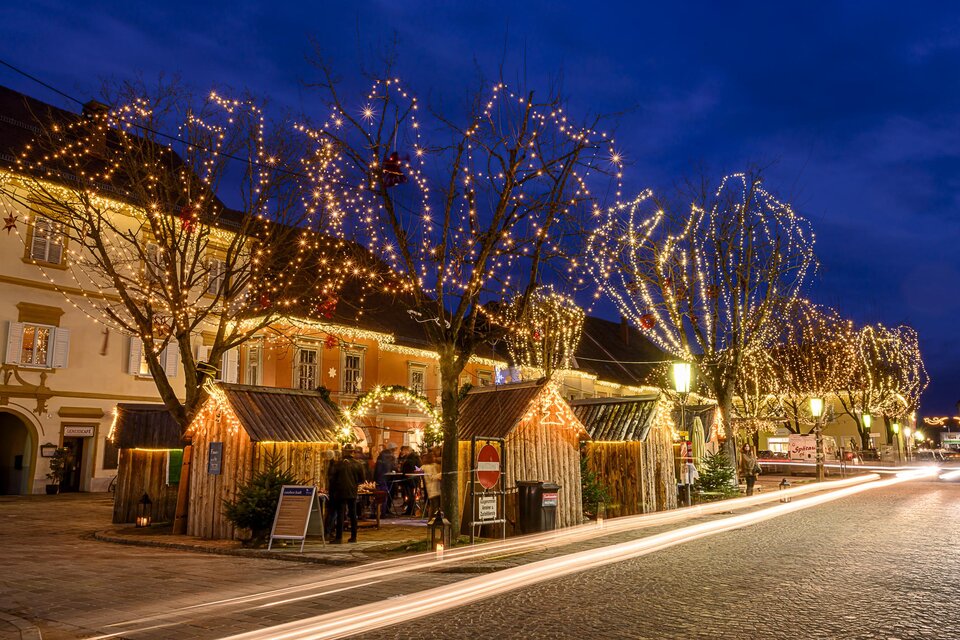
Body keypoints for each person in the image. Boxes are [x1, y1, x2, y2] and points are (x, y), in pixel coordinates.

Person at [329, 443, 365, 543]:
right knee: (353, 514)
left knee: (340, 514)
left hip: (340, 492)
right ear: (353, 452)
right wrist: (354, 484)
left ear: (344, 452)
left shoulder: (338, 464)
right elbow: (362, 479)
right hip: (352, 491)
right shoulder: (358, 464)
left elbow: (332, 478)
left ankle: (339, 537)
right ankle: (354, 537)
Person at [374, 442, 398, 516]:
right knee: (385, 495)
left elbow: (377, 468)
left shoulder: (381, 456)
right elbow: (394, 467)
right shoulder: (392, 457)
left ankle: (378, 512)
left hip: (380, 477)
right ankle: (384, 512)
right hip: (388, 478)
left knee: (379, 495)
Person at [399, 445, 422, 516]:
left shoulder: (411, 459)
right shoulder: (415, 457)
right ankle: (410, 510)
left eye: (403, 451)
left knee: (410, 495)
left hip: (409, 479)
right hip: (413, 479)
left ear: (407, 451)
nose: (402, 452)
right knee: (411, 495)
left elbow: (410, 468)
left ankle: (410, 510)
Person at [420, 450, 442, 517]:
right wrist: (440, 474)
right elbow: (431, 477)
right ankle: (432, 520)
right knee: (434, 506)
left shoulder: (429, 466)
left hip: (433, 489)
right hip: (433, 489)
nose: (434, 458)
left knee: (434, 506)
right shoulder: (428, 467)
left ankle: (432, 519)